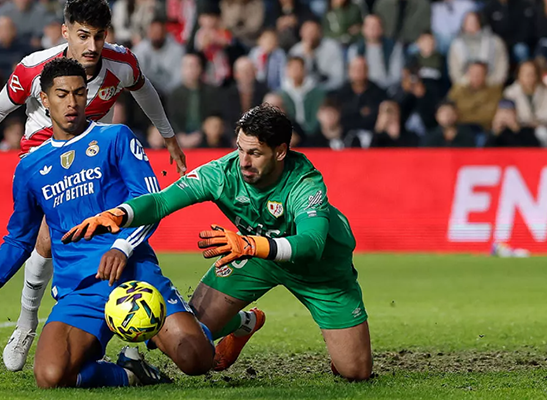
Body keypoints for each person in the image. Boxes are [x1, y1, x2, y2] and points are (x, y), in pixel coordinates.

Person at [0, 0, 187, 372]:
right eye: (82, 36)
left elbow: (145, 91)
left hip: (95, 153)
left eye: (98, 37)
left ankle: (124, 336)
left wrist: (168, 135)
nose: (91, 46)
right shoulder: (34, 68)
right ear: (65, 32)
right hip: (42, 151)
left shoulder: (122, 64)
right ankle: (26, 323)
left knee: (113, 228)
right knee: (45, 237)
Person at [0, 58, 214, 388]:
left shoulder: (115, 137)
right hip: (80, 289)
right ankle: (130, 374)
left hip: (133, 274)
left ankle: (201, 323)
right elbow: (19, 240)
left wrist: (122, 247)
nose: (72, 103)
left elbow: (149, 201)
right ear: (44, 99)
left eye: (79, 93)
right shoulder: (30, 167)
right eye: (62, 95)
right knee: (50, 376)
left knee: (196, 359)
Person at [64, 104, 373, 380]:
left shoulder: (304, 183)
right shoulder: (223, 173)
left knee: (355, 371)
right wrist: (120, 214)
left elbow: (311, 244)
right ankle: (244, 324)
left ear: (280, 152)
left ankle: (343, 352)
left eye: (255, 153)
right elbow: (161, 202)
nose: (243, 161)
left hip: (319, 271)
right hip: (255, 256)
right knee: (190, 335)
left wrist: (250, 245)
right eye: (240, 149)